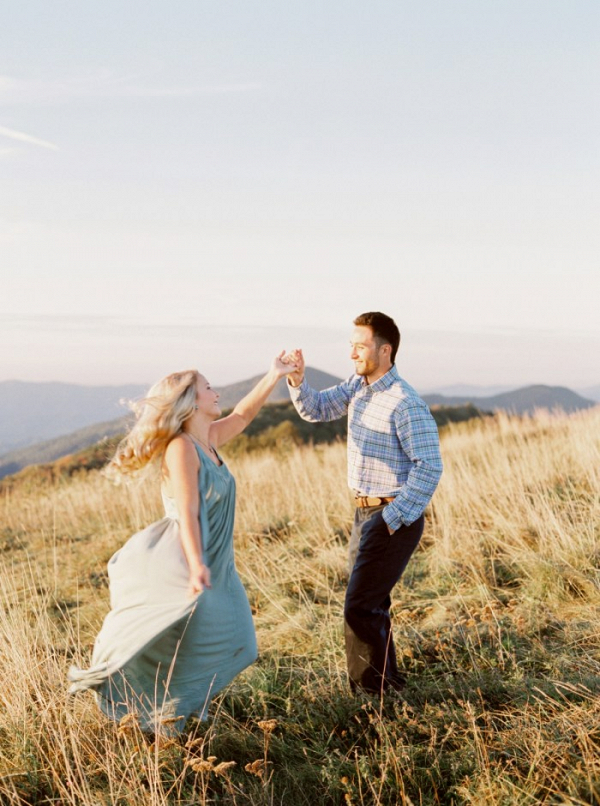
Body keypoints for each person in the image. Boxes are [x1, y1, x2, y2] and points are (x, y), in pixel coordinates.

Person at [69, 352, 297, 734]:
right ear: (191, 401)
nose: (215, 391)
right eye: (207, 387)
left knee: (242, 643)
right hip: (188, 558)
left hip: (218, 561)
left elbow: (242, 416)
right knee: (185, 641)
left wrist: (275, 374)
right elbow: (188, 510)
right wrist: (196, 564)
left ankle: (169, 711)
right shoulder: (181, 448)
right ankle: (164, 716)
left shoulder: (206, 438)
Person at [286, 312, 442, 696]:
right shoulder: (358, 386)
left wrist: (391, 517)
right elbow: (316, 409)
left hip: (391, 514)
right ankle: (387, 682)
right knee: (372, 603)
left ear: (385, 350)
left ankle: (371, 694)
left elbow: (430, 467)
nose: (352, 352)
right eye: (351, 344)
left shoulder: (405, 402)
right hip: (364, 511)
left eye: (361, 345)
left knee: (359, 606)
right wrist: (297, 379)